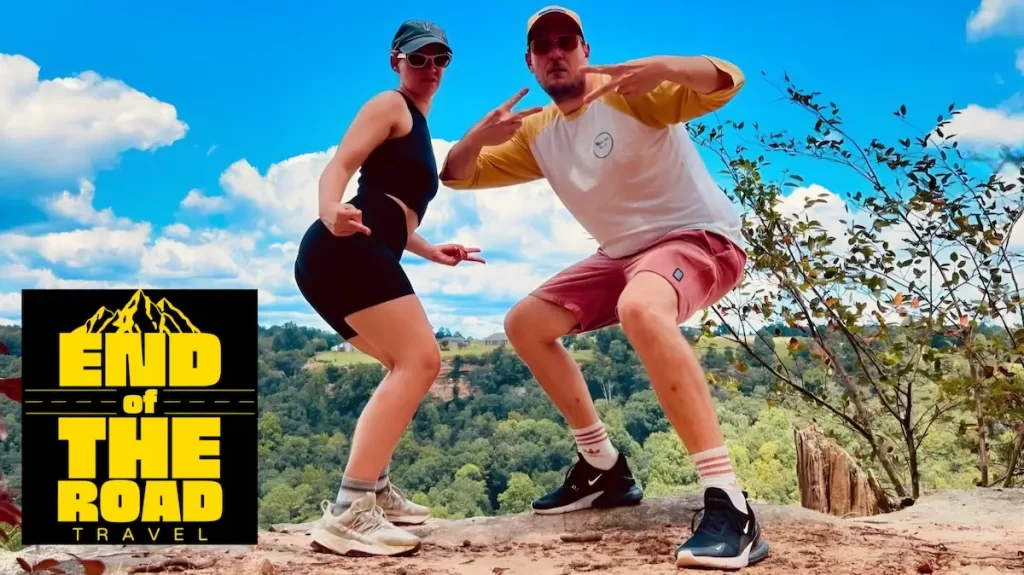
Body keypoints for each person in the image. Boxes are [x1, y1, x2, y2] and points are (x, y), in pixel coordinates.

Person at [439, 5, 769, 570]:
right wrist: (477, 135)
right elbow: (455, 174)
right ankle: (602, 468)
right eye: (544, 47)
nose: (556, 51)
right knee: (525, 323)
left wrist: (665, 66)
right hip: (621, 256)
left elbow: (729, 79)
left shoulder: (632, 93)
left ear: (585, 49)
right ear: (532, 63)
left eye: (567, 40)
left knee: (640, 307)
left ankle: (731, 505)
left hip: (699, 238)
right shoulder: (538, 133)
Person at [294, 20, 484, 557]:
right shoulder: (390, 104)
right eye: (418, 58)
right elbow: (341, 164)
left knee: (405, 364)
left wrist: (430, 250)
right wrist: (328, 209)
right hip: (343, 248)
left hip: (352, 252)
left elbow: (395, 212)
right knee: (421, 361)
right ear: (396, 60)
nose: (431, 69)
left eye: (440, 59)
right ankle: (350, 510)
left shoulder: (417, 123)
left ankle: (373, 488)